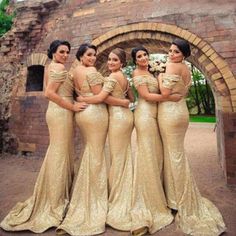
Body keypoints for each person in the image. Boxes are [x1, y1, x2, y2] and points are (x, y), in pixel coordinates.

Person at [0, 40, 87, 233]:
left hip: (56, 112)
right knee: (60, 153)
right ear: (53, 52)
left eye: (67, 52)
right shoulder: (57, 68)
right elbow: (48, 92)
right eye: (61, 51)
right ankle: (54, 202)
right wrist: (72, 106)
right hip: (61, 112)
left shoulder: (51, 66)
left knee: (58, 151)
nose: (65, 55)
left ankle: (55, 195)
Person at [56, 44, 129, 236]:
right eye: (89, 55)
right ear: (81, 56)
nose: (93, 58)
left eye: (94, 55)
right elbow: (99, 95)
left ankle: (85, 195)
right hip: (95, 114)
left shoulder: (75, 71)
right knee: (96, 154)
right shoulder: (90, 70)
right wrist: (123, 101)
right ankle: (92, 201)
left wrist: (79, 99)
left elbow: (76, 92)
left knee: (91, 151)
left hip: (82, 114)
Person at [158, 38, 226, 235]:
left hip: (170, 113)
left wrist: (161, 76)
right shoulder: (186, 68)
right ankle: (175, 196)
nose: (171, 54)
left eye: (176, 52)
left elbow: (164, 92)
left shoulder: (172, 67)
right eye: (170, 51)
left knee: (174, 155)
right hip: (180, 111)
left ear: (184, 54)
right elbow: (178, 94)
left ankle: (181, 199)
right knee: (175, 153)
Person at [78, 48, 134, 231]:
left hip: (118, 119)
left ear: (122, 63)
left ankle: (120, 199)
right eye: (109, 59)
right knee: (123, 156)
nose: (110, 63)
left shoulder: (111, 78)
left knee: (118, 158)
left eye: (115, 60)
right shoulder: (124, 77)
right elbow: (131, 98)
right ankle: (125, 192)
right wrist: (124, 101)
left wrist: (82, 97)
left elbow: (102, 98)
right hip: (126, 117)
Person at [130, 46, 182, 236]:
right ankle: (147, 202)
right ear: (135, 60)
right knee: (148, 155)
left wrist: (160, 76)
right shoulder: (137, 73)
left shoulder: (151, 71)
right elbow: (146, 96)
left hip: (156, 114)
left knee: (157, 155)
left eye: (145, 55)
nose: (143, 58)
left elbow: (160, 87)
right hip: (144, 115)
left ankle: (163, 195)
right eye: (139, 56)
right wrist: (169, 97)